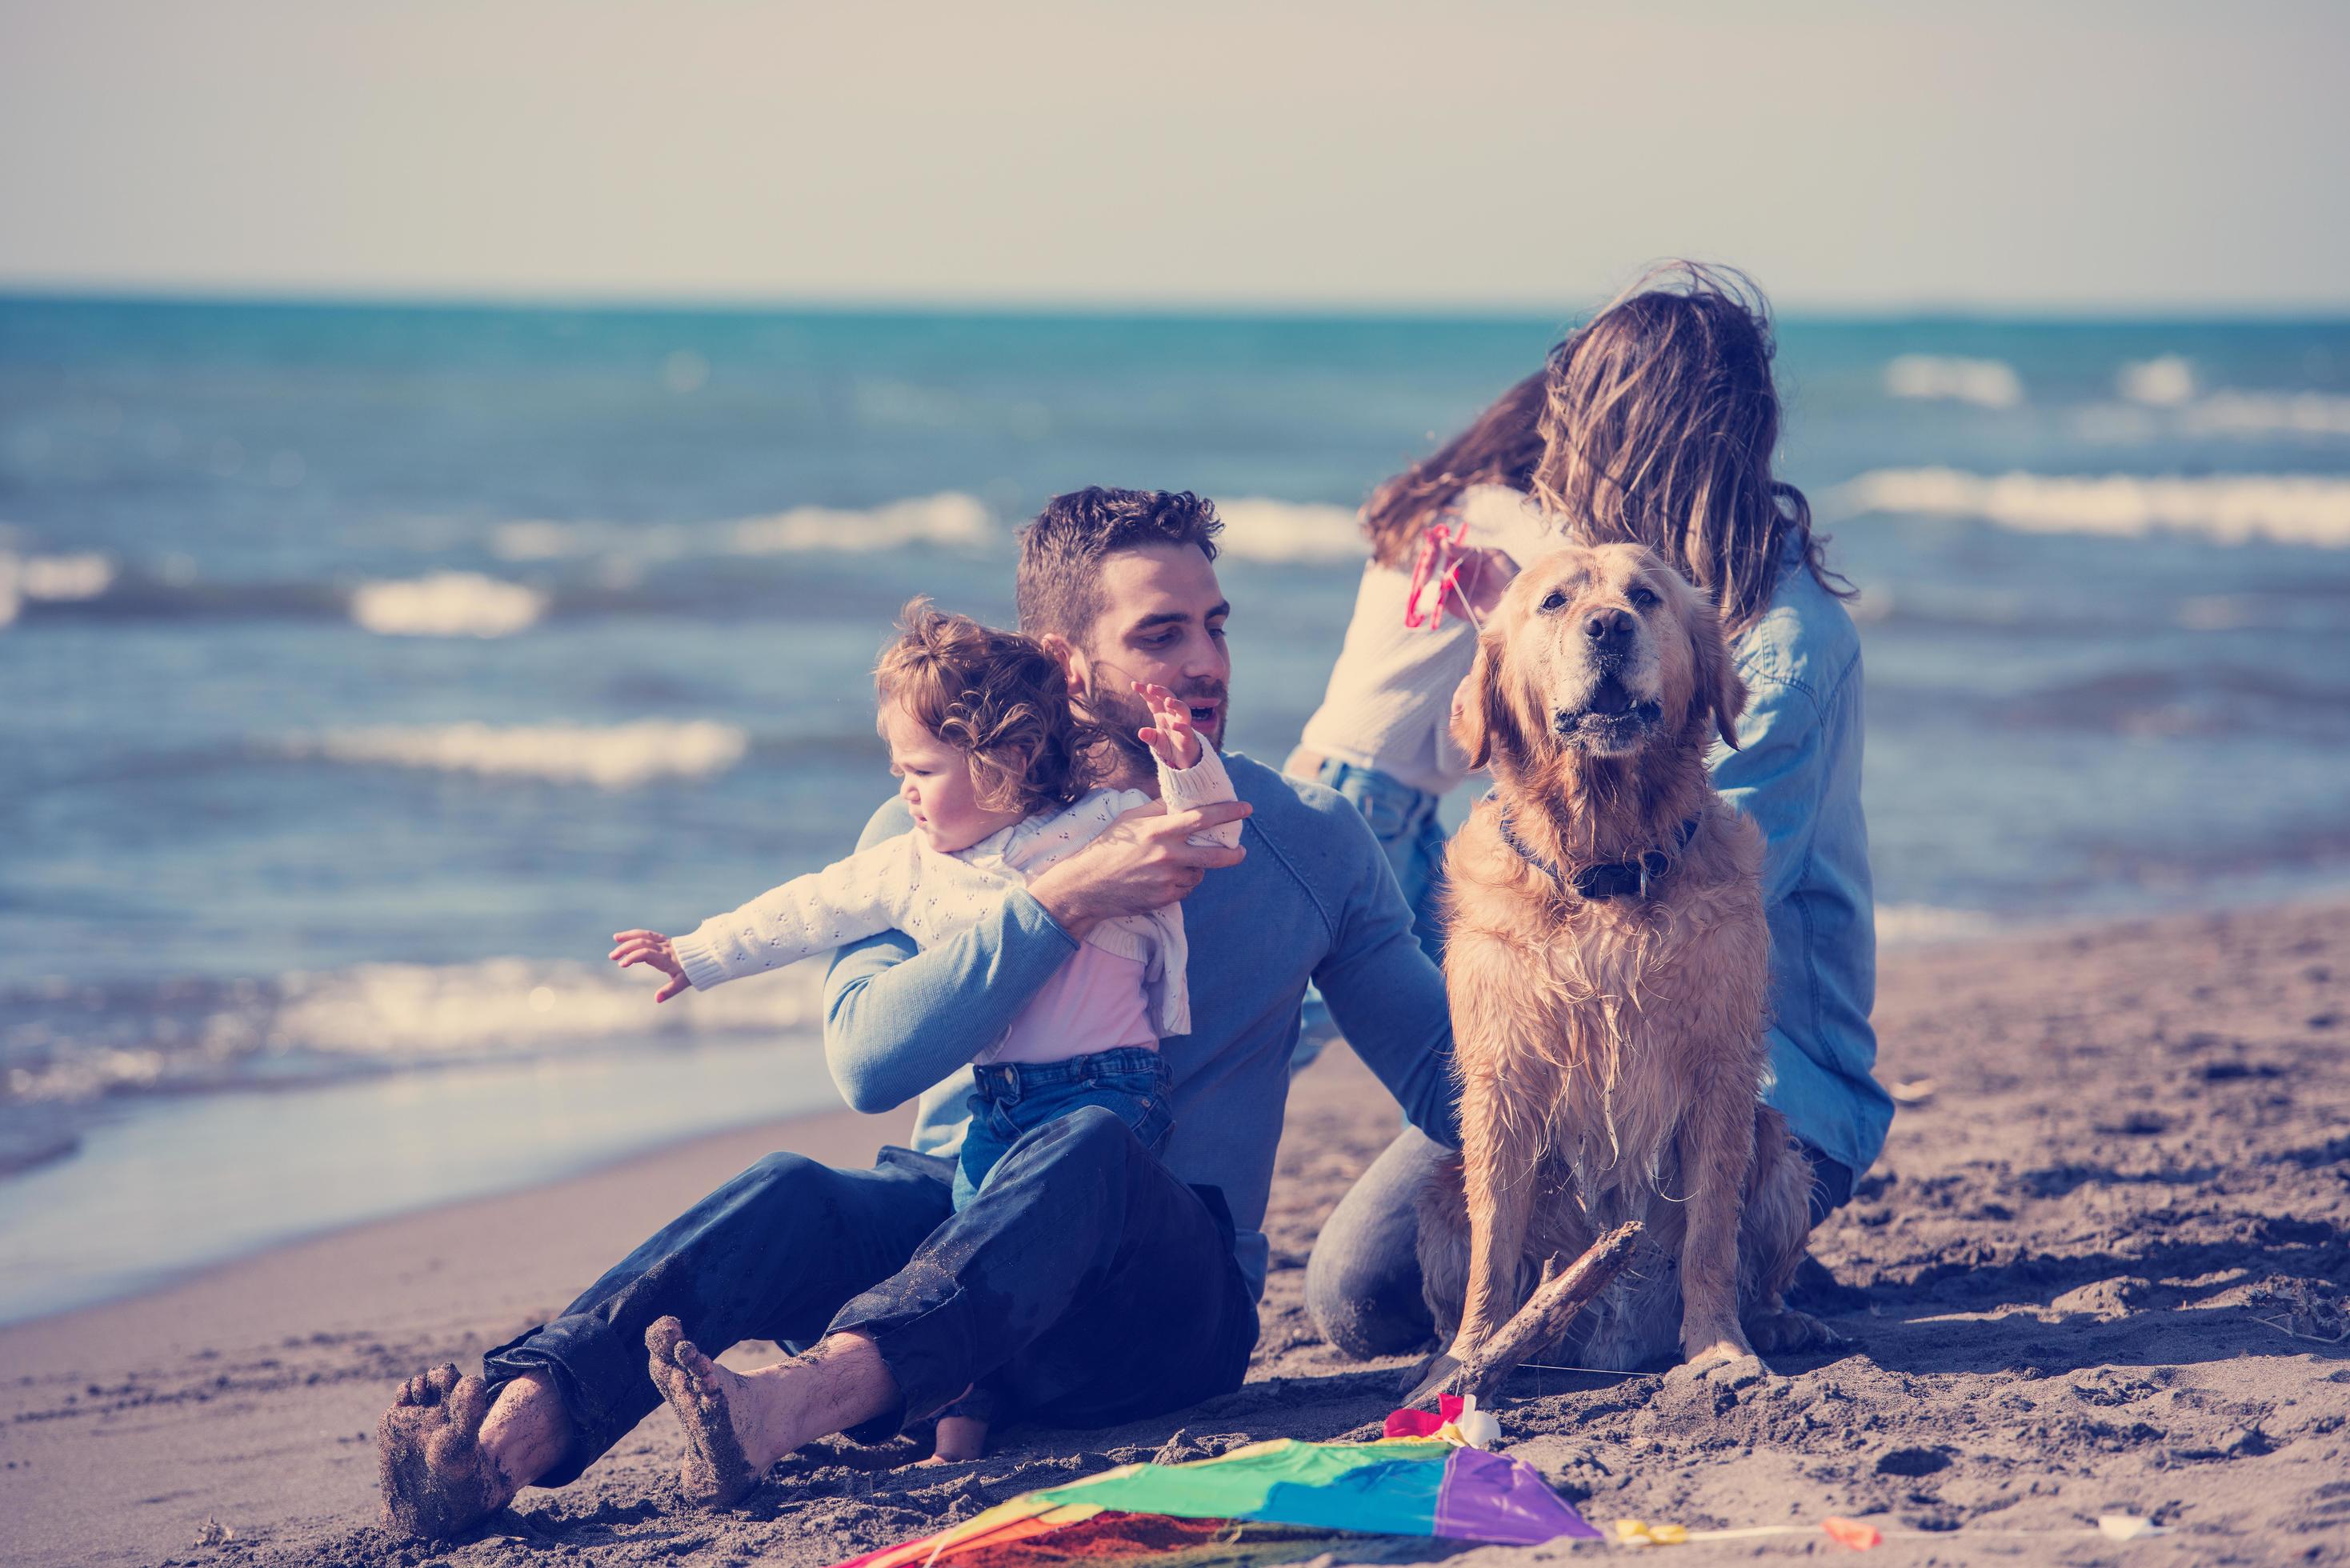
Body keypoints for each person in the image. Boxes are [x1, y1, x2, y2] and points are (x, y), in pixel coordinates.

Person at [376, 487, 1458, 1540]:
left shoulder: (1307, 841)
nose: (1206, 663)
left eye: (1215, 627)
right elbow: (868, 1064)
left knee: (1089, 1147)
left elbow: (1447, 1079)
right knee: (789, 1194)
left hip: (1161, 1310)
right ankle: (505, 1437)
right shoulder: (933, 831)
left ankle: (799, 1404)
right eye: (1162, 634)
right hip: (949, 1245)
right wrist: (1060, 903)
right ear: (1062, 665)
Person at [1305, 263, 1891, 1359]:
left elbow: (1644, 881)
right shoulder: (1577, 587)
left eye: (1571, 425)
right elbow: (1538, 856)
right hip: (1576, 1049)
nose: (1549, 452)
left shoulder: (1778, 647)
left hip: (1761, 1080)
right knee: (1360, 1292)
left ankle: (1715, 1273)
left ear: (1628, 439)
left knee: (1386, 1281)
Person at [608, 601, 1239, 1215]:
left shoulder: (1101, 824)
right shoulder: (908, 865)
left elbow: (1210, 835)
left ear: (1009, 760)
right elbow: (805, 909)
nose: (904, 791)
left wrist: (1186, 763)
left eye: (922, 771)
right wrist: (697, 954)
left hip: (1112, 1090)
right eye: (898, 771)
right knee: (975, 1229)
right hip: (998, 1103)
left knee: (1063, 1204)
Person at [1285, 374, 1553, 1061]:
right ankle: (1179, 1119)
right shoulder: (1493, 511)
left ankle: (1469, 1146)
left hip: (1377, 789)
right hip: (1366, 791)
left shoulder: (1434, 505)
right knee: (1302, 1010)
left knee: (1468, 996)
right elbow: (1570, 559)